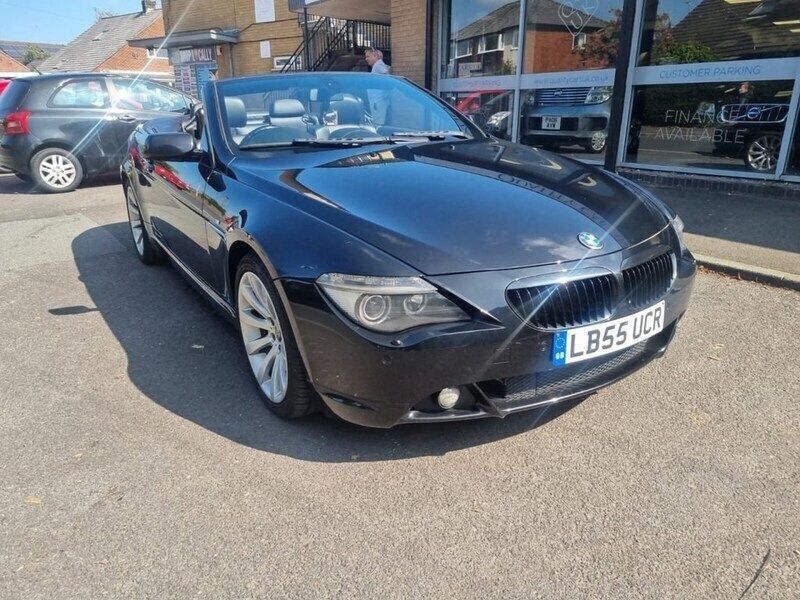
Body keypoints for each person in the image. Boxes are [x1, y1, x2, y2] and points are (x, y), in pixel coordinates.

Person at [364, 48, 390, 124]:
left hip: (378, 102)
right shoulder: (378, 65)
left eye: (368, 56)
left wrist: (384, 95)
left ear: (374, 55)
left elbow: (386, 76)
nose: (366, 59)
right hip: (378, 102)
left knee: (378, 124)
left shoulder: (378, 65)